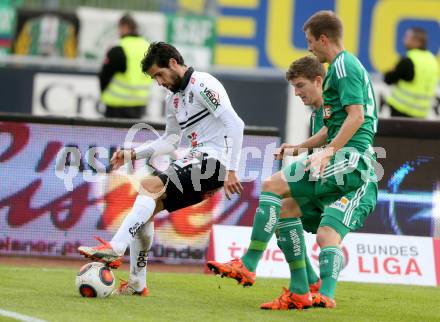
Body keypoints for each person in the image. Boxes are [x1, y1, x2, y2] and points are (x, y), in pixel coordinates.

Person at [207, 10, 378, 310]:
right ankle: (301, 289)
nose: (310, 47)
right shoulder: (339, 75)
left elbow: (357, 117)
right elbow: (333, 127)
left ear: (323, 39)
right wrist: (301, 147)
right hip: (346, 156)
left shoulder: (342, 66)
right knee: (285, 208)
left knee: (274, 185)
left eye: (311, 41)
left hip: (354, 158)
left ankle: (249, 264)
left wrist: (328, 151)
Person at [79, 41, 245, 296]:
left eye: (159, 74)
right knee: (146, 209)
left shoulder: (203, 84)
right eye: (154, 78)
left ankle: (115, 247)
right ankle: (137, 284)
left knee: (149, 187)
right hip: (197, 161)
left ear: (174, 63)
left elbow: (235, 124)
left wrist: (232, 169)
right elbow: (170, 140)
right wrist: (132, 154)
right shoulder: (174, 99)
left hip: (214, 164)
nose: (159, 82)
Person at [100, 14, 152, 119]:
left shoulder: (118, 48)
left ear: (123, 27)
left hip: (117, 105)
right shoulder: (148, 48)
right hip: (139, 104)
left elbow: (104, 75)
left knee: (112, 135)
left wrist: (103, 93)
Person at [384, 27, 438, 118]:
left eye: (407, 37)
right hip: (421, 114)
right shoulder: (432, 60)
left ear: (416, 41)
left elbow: (388, 79)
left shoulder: (409, 60)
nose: (404, 40)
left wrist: (391, 71)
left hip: (401, 111)